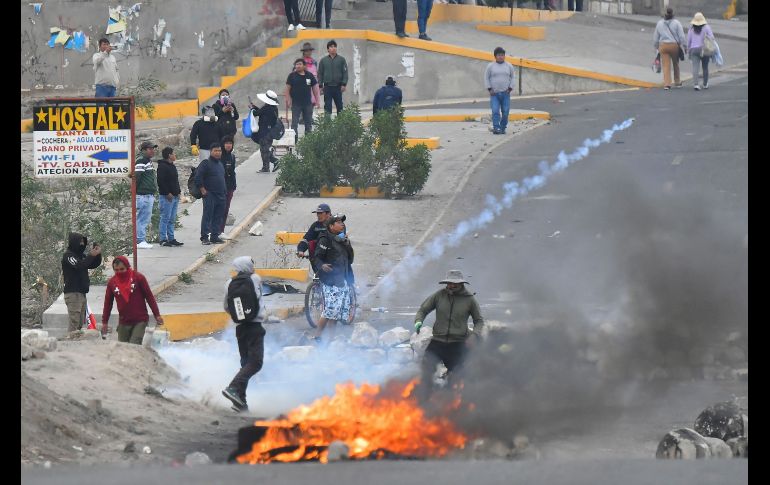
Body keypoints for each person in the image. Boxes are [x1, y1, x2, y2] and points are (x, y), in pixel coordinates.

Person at [413, 270, 484, 399]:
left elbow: (479, 321)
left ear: (461, 284)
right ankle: (424, 399)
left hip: (458, 344)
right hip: (438, 342)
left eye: (454, 283)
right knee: (427, 369)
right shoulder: (439, 296)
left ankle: (452, 404)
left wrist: (475, 335)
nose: (451, 286)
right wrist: (418, 321)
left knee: (458, 377)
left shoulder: (469, 300)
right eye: (449, 283)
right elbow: (423, 310)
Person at [221, 256, 266, 412]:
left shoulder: (229, 283)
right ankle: (233, 388)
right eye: (252, 264)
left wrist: (240, 316)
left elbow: (226, 306)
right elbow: (259, 298)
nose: (253, 266)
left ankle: (240, 401)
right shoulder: (255, 278)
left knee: (245, 363)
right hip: (255, 326)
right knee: (256, 363)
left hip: (240, 327)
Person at [101, 256, 163, 344]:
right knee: (123, 349)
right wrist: (105, 322)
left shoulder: (138, 278)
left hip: (140, 320)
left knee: (134, 345)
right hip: (123, 321)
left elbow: (149, 297)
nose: (119, 272)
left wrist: (157, 315)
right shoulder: (112, 283)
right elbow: (108, 303)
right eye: (116, 270)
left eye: (122, 269)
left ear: (127, 267)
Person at [313, 214, 354, 341]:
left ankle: (331, 339)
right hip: (330, 281)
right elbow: (317, 257)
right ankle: (318, 337)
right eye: (338, 222)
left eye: (342, 222)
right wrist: (322, 265)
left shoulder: (342, 239)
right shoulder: (325, 239)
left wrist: (347, 243)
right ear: (331, 226)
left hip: (342, 279)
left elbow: (350, 259)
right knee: (329, 311)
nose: (342, 224)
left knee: (336, 314)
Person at [61, 232, 102, 333]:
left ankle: (76, 343)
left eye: (83, 242)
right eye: (80, 242)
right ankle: (69, 343)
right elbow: (79, 266)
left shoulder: (80, 256)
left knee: (79, 323)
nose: (82, 244)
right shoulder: (68, 256)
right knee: (74, 323)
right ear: (74, 242)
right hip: (73, 293)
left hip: (81, 293)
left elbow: (92, 264)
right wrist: (91, 256)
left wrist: (97, 255)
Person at [194, 142, 227, 245]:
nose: (218, 153)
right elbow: (198, 177)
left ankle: (214, 236)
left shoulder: (220, 164)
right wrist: (203, 190)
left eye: (219, 151)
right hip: (210, 194)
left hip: (221, 195)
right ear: (211, 152)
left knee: (218, 216)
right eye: (215, 151)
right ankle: (204, 237)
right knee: (208, 215)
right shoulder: (206, 163)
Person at [131, 141, 159, 249]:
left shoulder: (147, 161)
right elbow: (136, 177)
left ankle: (141, 239)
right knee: (142, 218)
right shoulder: (141, 160)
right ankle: (139, 240)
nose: (152, 151)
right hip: (143, 195)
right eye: (150, 149)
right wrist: (136, 192)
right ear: (143, 150)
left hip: (147, 195)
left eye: (153, 149)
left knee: (144, 218)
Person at [285, 58, 320, 142]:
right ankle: (294, 141)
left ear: (304, 66)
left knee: (308, 124)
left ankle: (308, 142)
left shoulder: (309, 75)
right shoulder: (292, 76)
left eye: (300, 64)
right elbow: (287, 90)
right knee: (294, 123)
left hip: (308, 104)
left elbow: (315, 89)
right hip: (296, 104)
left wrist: (318, 101)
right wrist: (288, 100)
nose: (298, 66)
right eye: (296, 64)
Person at [156, 146, 184, 247]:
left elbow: (175, 181)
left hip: (175, 196)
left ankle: (171, 238)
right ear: (169, 155)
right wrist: (167, 193)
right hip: (167, 197)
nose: (175, 155)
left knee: (172, 219)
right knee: (165, 218)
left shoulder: (172, 166)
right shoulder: (162, 166)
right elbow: (161, 181)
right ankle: (163, 239)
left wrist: (178, 192)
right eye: (173, 153)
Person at [485, 47, 515, 135]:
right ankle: (496, 128)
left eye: (502, 55)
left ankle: (502, 127)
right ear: (495, 56)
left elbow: (513, 77)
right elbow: (486, 78)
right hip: (494, 94)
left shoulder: (509, 66)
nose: (501, 57)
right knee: (495, 111)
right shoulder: (490, 66)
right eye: (499, 55)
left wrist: (510, 88)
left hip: (506, 93)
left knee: (505, 112)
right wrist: (489, 89)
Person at [654, 7, 686, 90]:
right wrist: (684, 46)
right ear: (673, 14)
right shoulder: (677, 23)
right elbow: (682, 36)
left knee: (665, 65)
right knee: (676, 64)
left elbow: (656, 37)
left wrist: (656, 47)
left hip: (663, 46)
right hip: (674, 46)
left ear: (665, 14)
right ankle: (677, 82)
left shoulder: (659, 23)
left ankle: (667, 84)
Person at [249, 90, 281, 173]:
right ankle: (270, 164)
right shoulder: (273, 108)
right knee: (265, 149)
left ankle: (269, 166)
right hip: (270, 132)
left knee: (264, 150)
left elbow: (256, 113)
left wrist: (252, 108)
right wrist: (254, 107)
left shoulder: (267, 108)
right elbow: (261, 112)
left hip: (265, 132)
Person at [296, 202, 332, 274]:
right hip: (319, 255)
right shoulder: (316, 226)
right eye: (317, 213)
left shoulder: (336, 223)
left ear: (328, 214)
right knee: (318, 276)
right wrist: (301, 250)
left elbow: (341, 237)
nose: (318, 215)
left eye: (321, 213)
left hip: (333, 254)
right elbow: (306, 239)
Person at [317, 40, 348, 115]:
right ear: (328, 49)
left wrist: (344, 84)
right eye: (331, 47)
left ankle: (340, 123)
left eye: (334, 46)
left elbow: (345, 72)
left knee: (339, 106)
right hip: (327, 87)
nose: (333, 48)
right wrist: (320, 86)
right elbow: (320, 73)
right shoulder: (323, 60)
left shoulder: (341, 60)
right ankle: (327, 124)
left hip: (338, 87)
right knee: (327, 107)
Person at [687, 12, 715, 91]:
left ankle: (696, 84)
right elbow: (712, 38)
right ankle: (705, 84)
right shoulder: (706, 27)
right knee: (705, 67)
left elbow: (689, 40)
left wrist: (688, 50)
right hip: (704, 49)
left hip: (694, 49)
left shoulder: (691, 29)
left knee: (695, 67)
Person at [220, 135, 237, 236]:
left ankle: (221, 231)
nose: (228, 145)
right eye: (226, 143)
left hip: (230, 187)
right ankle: (214, 231)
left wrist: (234, 185)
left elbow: (233, 172)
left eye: (230, 143)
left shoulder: (232, 156)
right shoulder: (219, 156)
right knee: (219, 210)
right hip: (220, 188)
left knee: (226, 209)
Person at [298, 43, 320, 116]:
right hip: (303, 83)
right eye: (307, 51)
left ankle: (309, 116)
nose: (309, 52)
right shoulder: (300, 62)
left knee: (313, 100)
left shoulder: (314, 62)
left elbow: (317, 72)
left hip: (313, 84)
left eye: (310, 51)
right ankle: (302, 117)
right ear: (304, 52)